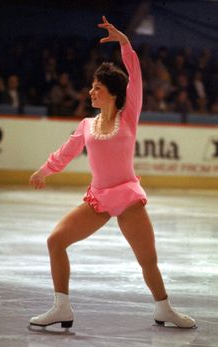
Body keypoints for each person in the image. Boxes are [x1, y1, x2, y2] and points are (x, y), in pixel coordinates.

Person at [29, 17, 196, 330]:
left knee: (148, 261)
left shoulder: (128, 115)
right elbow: (65, 153)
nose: (91, 92)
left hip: (128, 199)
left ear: (113, 94)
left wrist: (124, 43)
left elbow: (136, 76)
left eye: (97, 87)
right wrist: (44, 170)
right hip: (99, 200)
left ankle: (164, 309)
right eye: (92, 86)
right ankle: (61, 307)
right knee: (55, 241)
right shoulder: (86, 126)